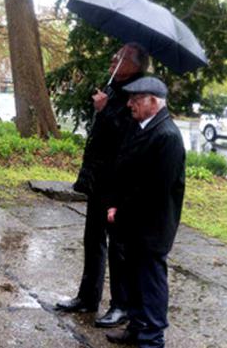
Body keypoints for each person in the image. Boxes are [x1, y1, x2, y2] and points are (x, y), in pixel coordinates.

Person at [55, 43, 149, 328]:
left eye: (119, 57)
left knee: (118, 245)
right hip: (99, 178)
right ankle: (87, 296)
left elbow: (130, 134)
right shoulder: (112, 88)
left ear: (134, 64)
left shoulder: (140, 92)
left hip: (119, 182)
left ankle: (121, 305)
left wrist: (106, 110)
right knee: (92, 238)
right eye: (115, 56)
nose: (113, 59)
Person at [105, 76, 185, 348]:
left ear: (154, 102)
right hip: (135, 223)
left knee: (151, 281)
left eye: (136, 100)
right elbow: (126, 170)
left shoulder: (167, 136)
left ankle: (152, 337)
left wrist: (121, 210)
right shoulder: (142, 127)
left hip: (152, 225)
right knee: (135, 278)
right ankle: (137, 327)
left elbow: (154, 189)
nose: (129, 104)